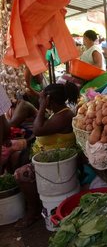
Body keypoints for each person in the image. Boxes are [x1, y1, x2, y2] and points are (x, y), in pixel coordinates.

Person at [14, 82, 79, 227]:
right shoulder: (58, 113)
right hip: (46, 160)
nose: (40, 99)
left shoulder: (64, 115)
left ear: (49, 99)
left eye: (43, 98)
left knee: (21, 174)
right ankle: (33, 204)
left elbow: (38, 130)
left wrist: (42, 105)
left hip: (57, 165)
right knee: (16, 158)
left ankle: (33, 211)